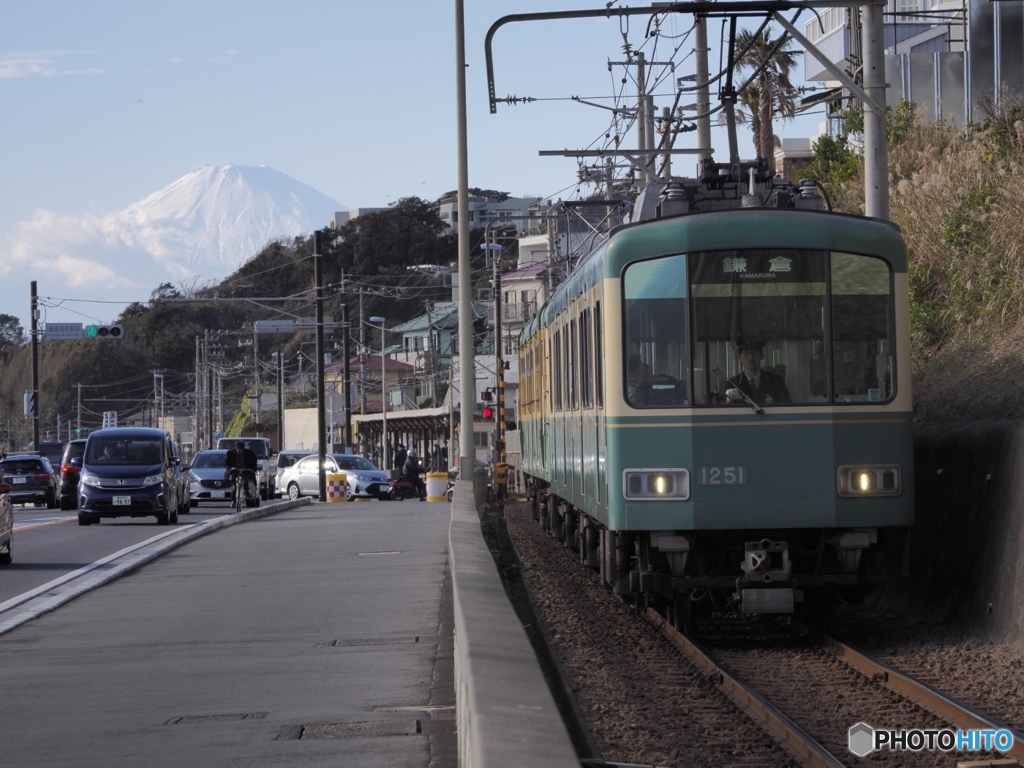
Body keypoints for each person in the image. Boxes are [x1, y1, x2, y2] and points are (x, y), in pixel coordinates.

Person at [728, 340, 790, 405]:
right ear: (739, 357)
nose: (750, 357)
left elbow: (786, 406)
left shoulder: (776, 381)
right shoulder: (732, 384)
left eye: (754, 353)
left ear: (761, 356)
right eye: (746, 353)